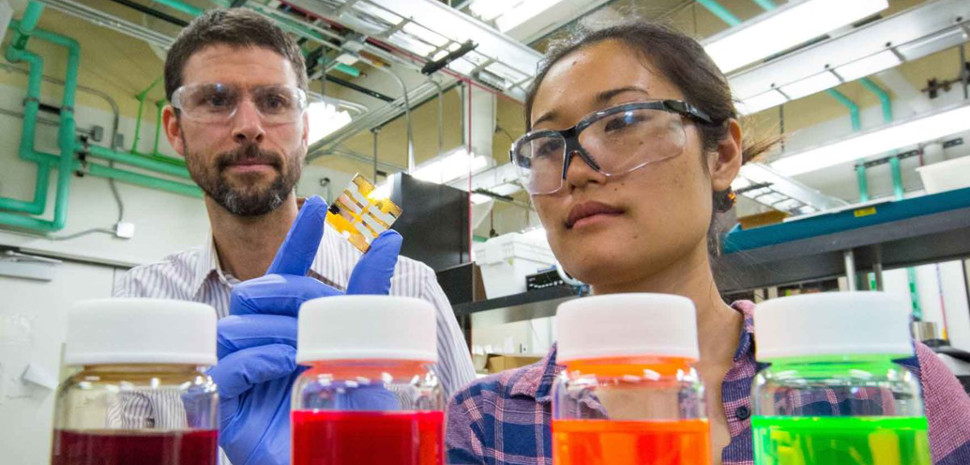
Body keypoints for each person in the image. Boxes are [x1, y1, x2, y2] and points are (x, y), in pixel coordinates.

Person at [445, 22, 970, 465]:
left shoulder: (889, 383)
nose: (576, 170)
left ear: (721, 156)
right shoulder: (490, 421)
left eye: (623, 121)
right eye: (546, 147)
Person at [111, 8, 475, 465]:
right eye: (216, 100)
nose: (249, 125)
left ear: (304, 129)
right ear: (175, 129)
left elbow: (474, 454)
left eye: (274, 101)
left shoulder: (411, 291)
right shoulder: (142, 303)